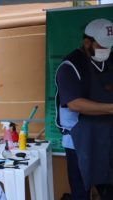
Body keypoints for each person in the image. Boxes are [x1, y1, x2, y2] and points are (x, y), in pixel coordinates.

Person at [55, 18, 113, 200]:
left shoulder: (109, 61)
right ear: (86, 42)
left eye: (110, 46)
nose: (107, 50)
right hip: (79, 142)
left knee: (109, 188)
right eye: (102, 45)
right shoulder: (70, 66)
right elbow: (74, 103)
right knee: (81, 192)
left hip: (107, 138)